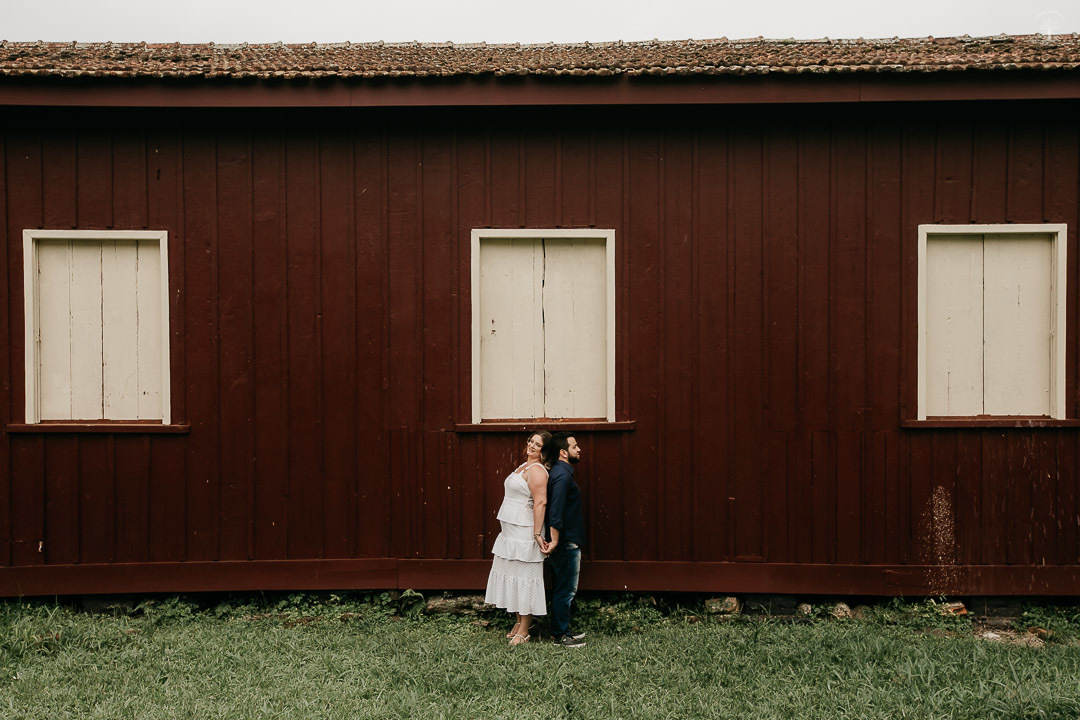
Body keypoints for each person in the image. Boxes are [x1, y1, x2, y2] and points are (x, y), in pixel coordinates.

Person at [484, 431, 555, 645]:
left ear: (545, 450)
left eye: (538, 444)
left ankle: (525, 629)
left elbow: (540, 502)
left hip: (525, 532)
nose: (532, 446)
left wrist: (536, 533)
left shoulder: (537, 471)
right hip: (510, 532)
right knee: (512, 574)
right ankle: (519, 621)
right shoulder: (523, 466)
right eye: (530, 441)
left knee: (524, 577)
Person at [545, 432, 587, 648]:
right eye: (574, 446)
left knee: (563, 587)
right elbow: (555, 511)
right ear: (563, 452)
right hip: (566, 542)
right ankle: (560, 635)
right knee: (566, 589)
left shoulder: (562, 473)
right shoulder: (562, 476)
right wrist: (555, 540)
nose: (579, 449)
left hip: (567, 540)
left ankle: (563, 630)